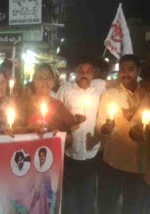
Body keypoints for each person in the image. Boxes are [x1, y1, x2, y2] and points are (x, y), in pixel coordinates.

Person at [96, 54, 149, 214]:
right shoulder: (109, 94)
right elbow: (99, 124)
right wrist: (104, 128)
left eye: (131, 69)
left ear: (138, 71)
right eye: (122, 70)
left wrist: (145, 134)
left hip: (138, 165)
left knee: (132, 208)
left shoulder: (147, 95)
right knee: (107, 206)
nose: (125, 73)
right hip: (112, 162)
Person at [56, 57, 105, 214]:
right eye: (80, 71)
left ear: (94, 73)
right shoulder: (65, 90)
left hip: (91, 154)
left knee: (88, 198)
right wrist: (69, 124)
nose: (84, 74)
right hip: (70, 154)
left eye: (88, 71)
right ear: (75, 73)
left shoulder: (99, 86)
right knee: (69, 199)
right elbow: (55, 115)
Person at [25, 64, 78, 143]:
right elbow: (14, 130)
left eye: (48, 78)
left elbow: (71, 134)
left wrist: (62, 137)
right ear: (34, 81)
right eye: (40, 78)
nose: (45, 81)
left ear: (53, 82)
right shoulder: (24, 103)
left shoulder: (59, 106)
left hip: (50, 152)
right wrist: (30, 127)